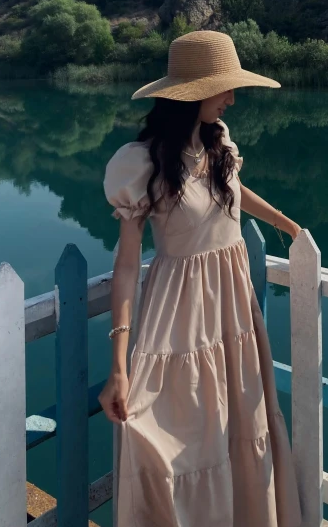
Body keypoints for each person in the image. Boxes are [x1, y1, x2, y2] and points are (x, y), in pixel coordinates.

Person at [100, 30, 302, 527]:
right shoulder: (142, 163)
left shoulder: (219, 143)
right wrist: (119, 365)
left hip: (233, 309)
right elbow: (126, 267)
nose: (232, 98)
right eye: (224, 88)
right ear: (192, 93)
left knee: (239, 425)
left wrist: (286, 223)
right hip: (181, 314)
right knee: (164, 441)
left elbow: (234, 188)